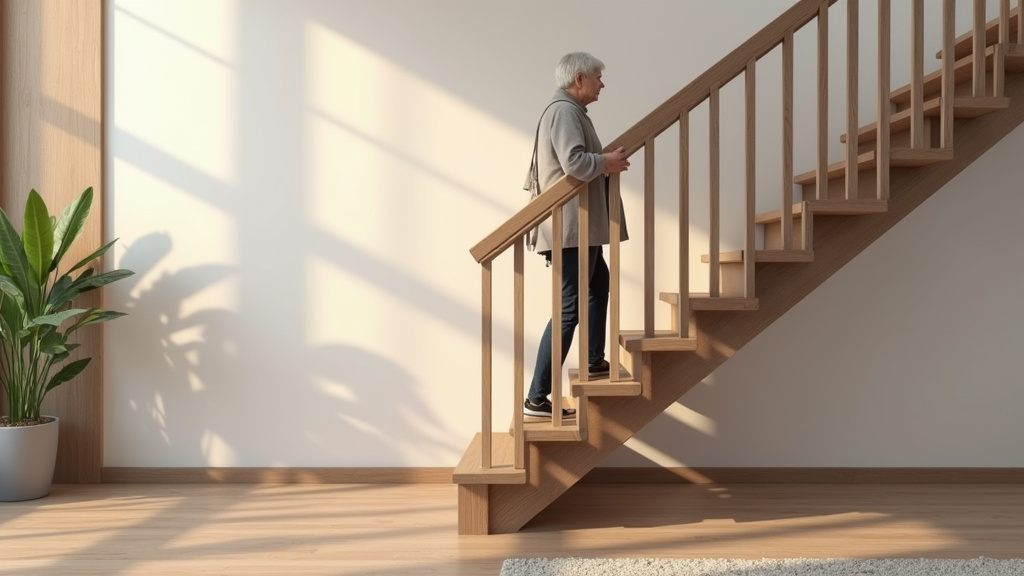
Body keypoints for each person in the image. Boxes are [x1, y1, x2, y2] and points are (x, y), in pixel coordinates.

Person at [524, 52, 630, 418]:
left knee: (599, 284)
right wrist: (606, 162)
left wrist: (603, 159)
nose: (603, 84)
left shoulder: (568, 111)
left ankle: (593, 360)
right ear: (580, 79)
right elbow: (575, 162)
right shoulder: (565, 112)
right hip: (571, 230)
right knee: (568, 310)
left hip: (578, 229)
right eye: (599, 77)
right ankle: (536, 398)